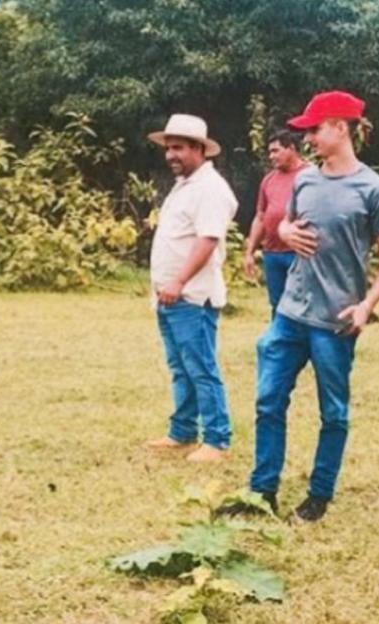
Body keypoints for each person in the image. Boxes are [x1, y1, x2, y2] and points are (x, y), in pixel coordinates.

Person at [248, 91, 379, 522]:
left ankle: (319, 494)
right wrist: (284, 230)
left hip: (335, 320)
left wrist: (366, 305)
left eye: (314, 129)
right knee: (268, 401)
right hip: (290, 313)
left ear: (341, 127)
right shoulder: (305, 180)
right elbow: (285, 222)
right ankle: (261, 492)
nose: (309, 138)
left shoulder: (374, 190)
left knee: (332, 411)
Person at [144, 114, 239, 463]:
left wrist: (180, 281)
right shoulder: (186, 184)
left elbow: (208, 240)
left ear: (200, 149)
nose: (171, 155)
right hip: (169, 295)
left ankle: (217, 439)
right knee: (181, 367)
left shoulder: (210, 189)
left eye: (179, 148)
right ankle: (183, 431)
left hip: (192, 296)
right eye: (168, 148)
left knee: (201, 367)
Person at [243, 129, 308, 314]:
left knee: (300, 305)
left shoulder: (310, 176)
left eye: (276, 150)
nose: (271, 156)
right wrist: (250, 252)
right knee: (277, 305)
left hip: (299, 252)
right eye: (269, 151)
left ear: (292, 149)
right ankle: (281, 343)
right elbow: (260, 216)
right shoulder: (269, 179)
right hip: (272, 253)